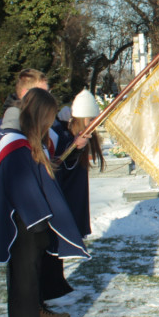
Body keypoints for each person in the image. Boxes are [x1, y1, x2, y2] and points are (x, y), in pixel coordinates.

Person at [0, 88, 90, 317]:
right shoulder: (15, 144)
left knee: (29, 286)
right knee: (24, 288)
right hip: (24, 228)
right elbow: (22, 189)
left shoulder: (27, 142)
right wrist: (40, 225)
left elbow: (44, 174)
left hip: (29, 227)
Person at [0, 69, 72, 317]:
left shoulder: (31, 123)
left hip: (36, 211)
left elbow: (46, 158)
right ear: (25, 94)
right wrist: (18, 212)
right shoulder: (9, 126)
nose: (48, 97)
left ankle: (37, 310)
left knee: (36, 269)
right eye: (43, 93)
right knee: (23, 273)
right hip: (22, 215)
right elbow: (2, 173)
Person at [54, 90, 105, 238]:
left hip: (76, 197)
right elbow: (65, 161)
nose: (93, 123)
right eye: (90, 119)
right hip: (67, 200)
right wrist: (76, 148)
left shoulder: (75, 135)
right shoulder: (65, 136)